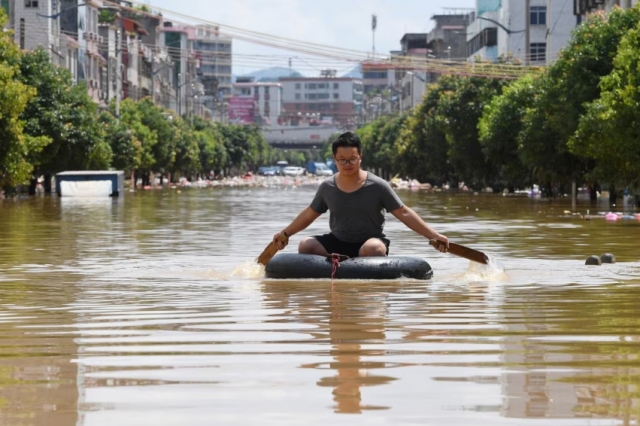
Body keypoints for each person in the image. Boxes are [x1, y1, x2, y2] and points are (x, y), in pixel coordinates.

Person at [272, 131, 449, 258]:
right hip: (337, 241)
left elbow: (404, 212)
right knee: (306, 245)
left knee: (374, 249)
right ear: (335, 159)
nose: (347, 164)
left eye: (352, 159)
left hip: (369, 242)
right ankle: (337, 263)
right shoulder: (327, 187)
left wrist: (434, 235)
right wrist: (285, 233)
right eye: (342, 159)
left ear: (360, 157)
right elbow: (310, 214)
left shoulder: (378, 185)